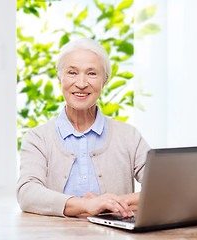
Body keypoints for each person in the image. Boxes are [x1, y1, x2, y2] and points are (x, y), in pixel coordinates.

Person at [16, 38, 150, 217]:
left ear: (104, 81)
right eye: (72, 72)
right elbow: (27, 193)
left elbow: (164, 186)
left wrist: (110, 203)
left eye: (92, 74)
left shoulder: (128, 136)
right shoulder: (37, 138)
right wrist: (86, 205)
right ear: (59, 78)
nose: (81, 83)